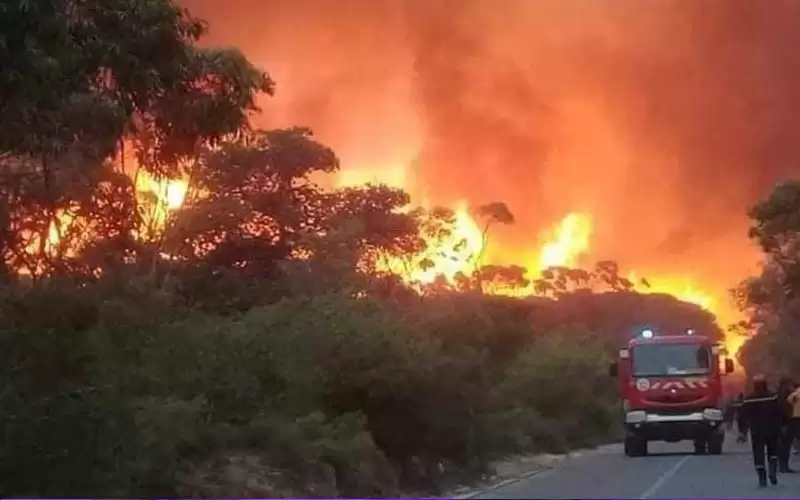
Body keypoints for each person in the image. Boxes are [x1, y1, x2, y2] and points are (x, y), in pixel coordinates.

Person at [738, 375, 782, 487]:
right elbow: (780, 412)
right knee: (773, 452)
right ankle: (772, 471)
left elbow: (742, 416)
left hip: (757, 431)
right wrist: (783, 425)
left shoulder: (749, 399)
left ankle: (762, 477)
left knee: (758, 453)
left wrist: (742, 431)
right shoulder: (773, 396)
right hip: (772, 429)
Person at [777, 378, 795, 472]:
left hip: (785, 422)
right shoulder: (783, 395)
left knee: (784, 445)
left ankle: (783, 466)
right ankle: (783, 466)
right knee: (784, 445)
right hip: (785, 423)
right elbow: (783, 410)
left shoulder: (779, 394)